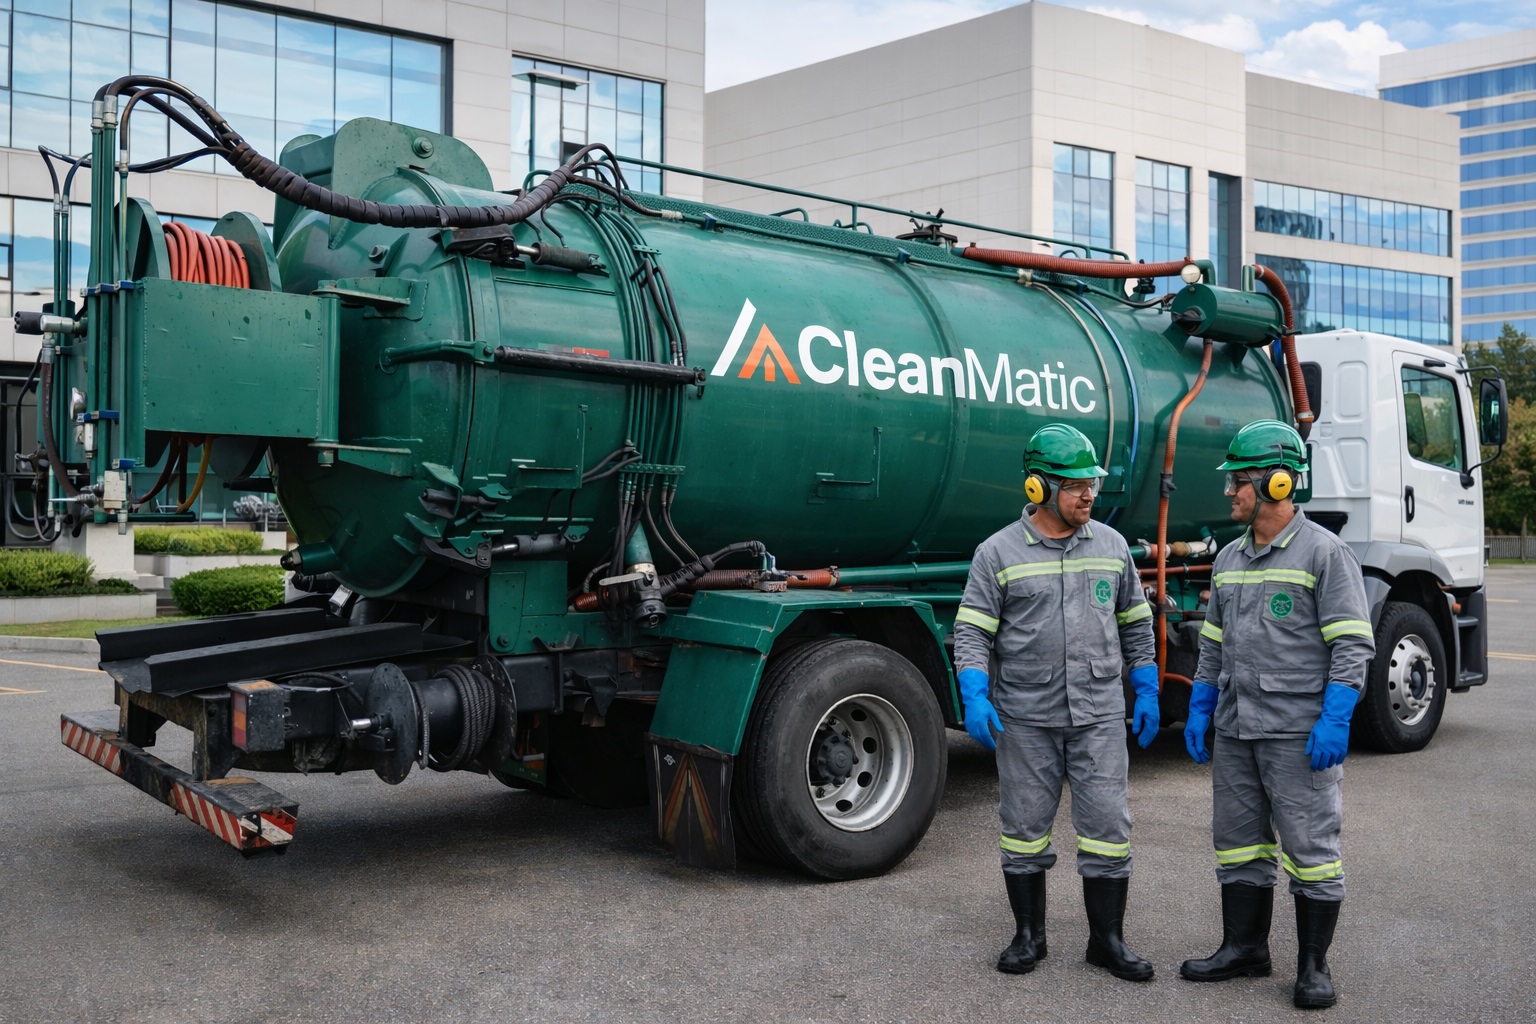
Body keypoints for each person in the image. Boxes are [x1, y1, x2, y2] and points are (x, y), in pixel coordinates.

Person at [953, 422, 1161, 981]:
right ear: (1038, 488)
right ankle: (1028, 937)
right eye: (1074, 485)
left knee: (1107, 829)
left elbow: (1136, 625)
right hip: (1026, 717)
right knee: (1023, 829)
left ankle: (1107, 942)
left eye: (1090, 483)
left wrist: (1147, 687)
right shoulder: (996, 553)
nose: (1088, 494)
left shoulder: (1113, 547)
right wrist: (974, 692)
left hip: (1098, 715)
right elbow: (973, 631)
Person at [1179, 419, 1374, 1010]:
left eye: (1238, 481)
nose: (1228, 492)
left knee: (1311, 848)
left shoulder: (1325, 553)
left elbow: (1353, 643)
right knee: (1238, 844)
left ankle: (1313, 967)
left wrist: (1337, 716)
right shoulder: (1229, 559)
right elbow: (1212, 642)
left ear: (1279, 484)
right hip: (1237, 729)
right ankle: (1244, 948)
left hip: (1298, 733)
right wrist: (1200, 704)